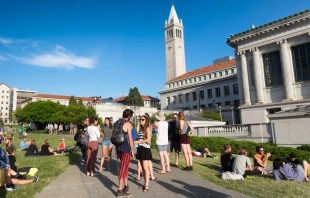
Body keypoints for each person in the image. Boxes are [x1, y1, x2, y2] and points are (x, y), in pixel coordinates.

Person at [115, 109, 135, 198]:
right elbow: (130, 139)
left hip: (118, 147)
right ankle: (120, 189)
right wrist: (132, 150)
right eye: (132, 116)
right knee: (123, 168)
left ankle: (126, 186)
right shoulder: (128, 124)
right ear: (129, 116)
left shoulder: (117, 122)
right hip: (125, 148)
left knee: (124, 166)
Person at [134, 115, 152, 192]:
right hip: (140, 148)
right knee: (142, 168)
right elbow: (136, 133)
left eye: (143, 119)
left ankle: (147, 185)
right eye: (140, 119)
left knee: (145, 168)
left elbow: (148, 139)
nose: (141, 121)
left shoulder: (147, 128)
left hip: (145, 149)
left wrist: (138, 141)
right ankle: (145, 183)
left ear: (146, 120)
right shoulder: (141, 129)